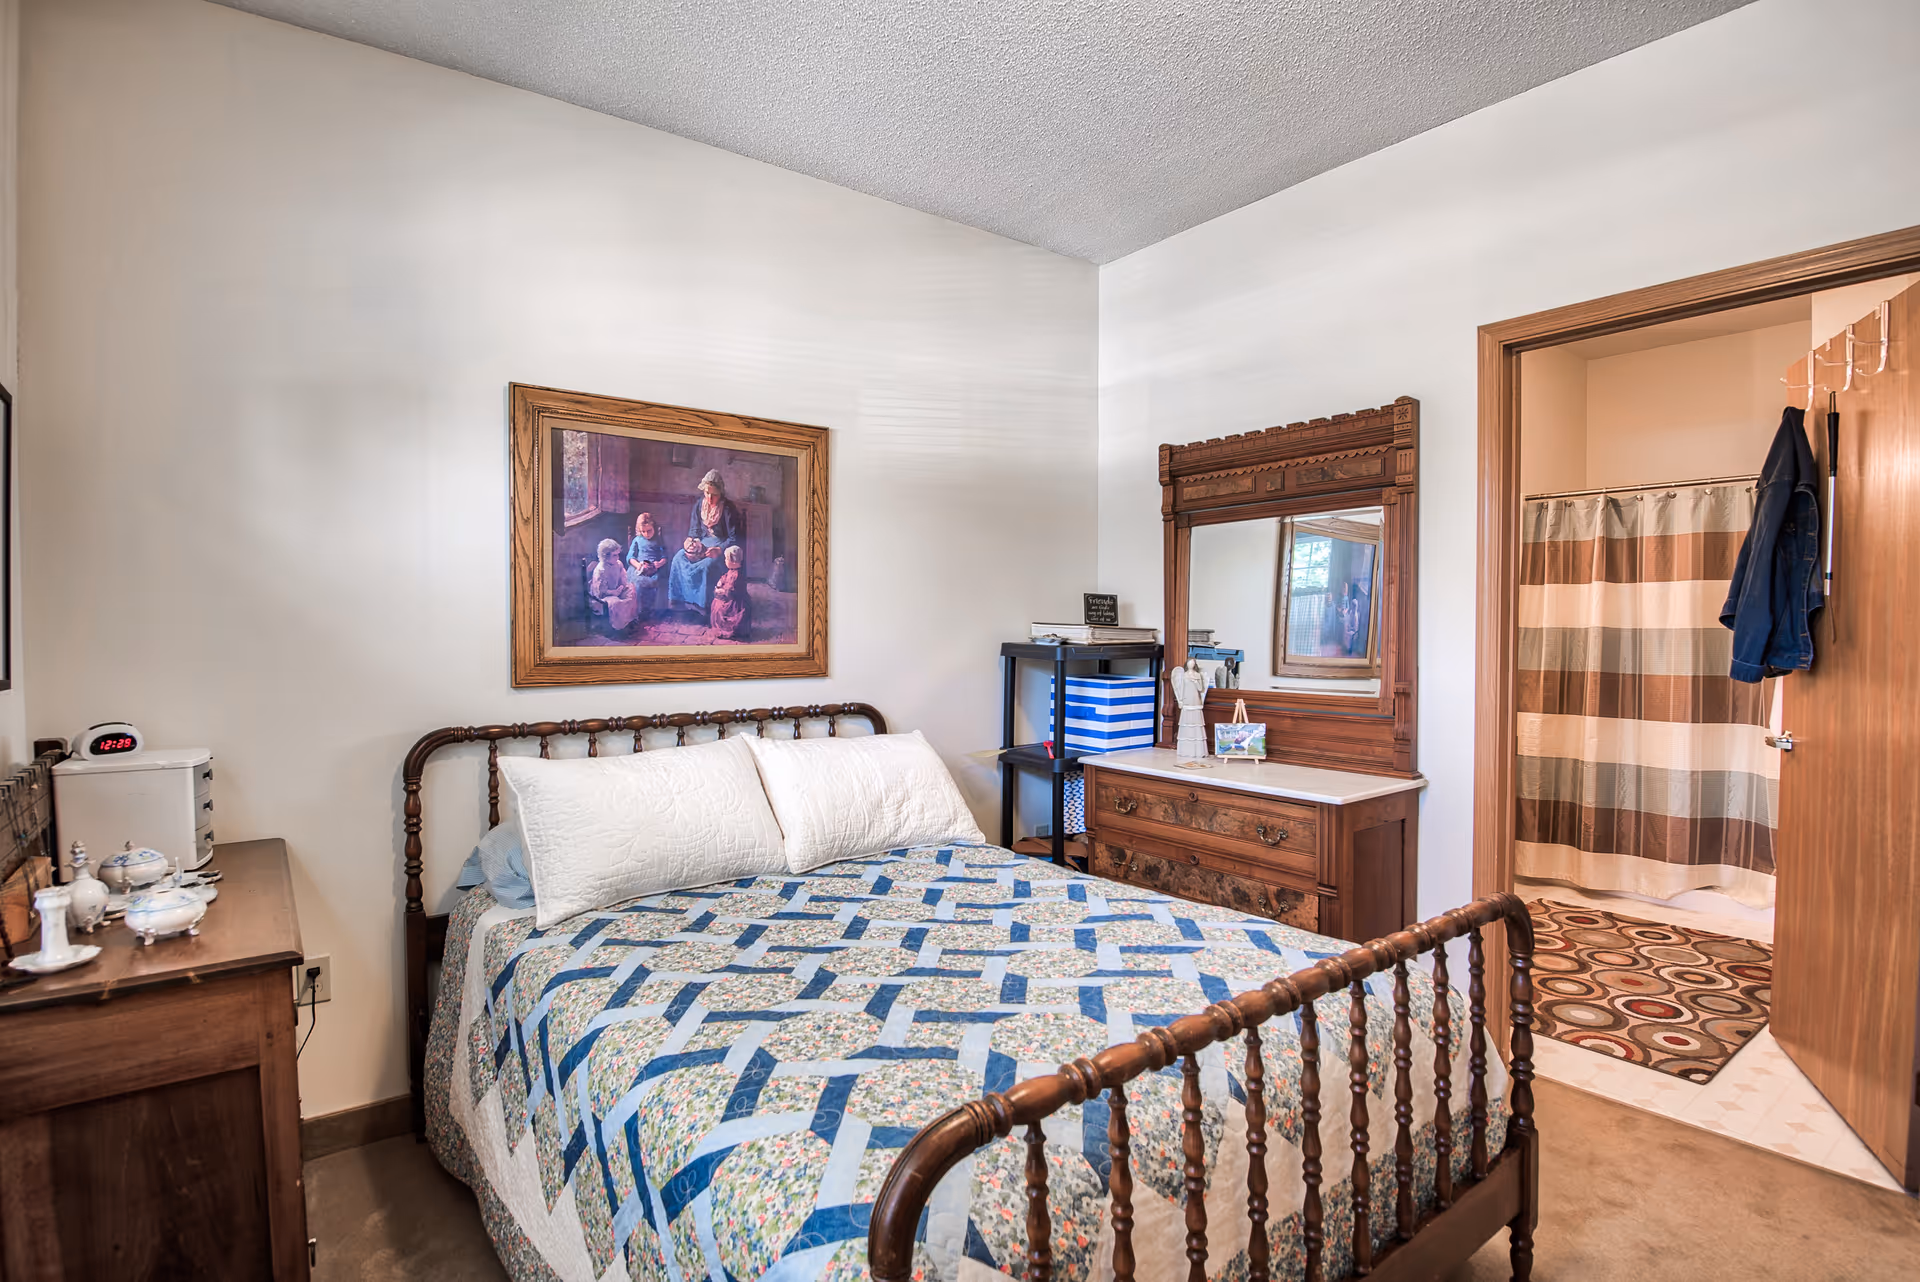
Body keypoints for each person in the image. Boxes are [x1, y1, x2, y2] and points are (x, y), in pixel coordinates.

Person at [667, 469, 743, 616]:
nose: (709, 497)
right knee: (678, 558)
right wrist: (690, 541)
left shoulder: (728, 509)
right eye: (707, 493)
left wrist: (719, 550)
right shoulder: (699, 505)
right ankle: (680, 602)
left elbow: (734, 538)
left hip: (720, 546)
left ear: (720, 493)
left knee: (707, 566)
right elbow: (694, 531)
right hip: (701, 544)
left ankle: (701, 606)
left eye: (714, 494)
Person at [625, 512, 670, 618]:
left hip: (654, 567)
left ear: (654, 527)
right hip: (639, 567)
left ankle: (651, 610)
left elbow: (665, 556)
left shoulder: (658, 540)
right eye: (643, 531)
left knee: (655, 581)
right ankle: (639, 611)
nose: (646, 534)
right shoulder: (637, 540)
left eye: (649, 530)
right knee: (638, 583)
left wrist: (659, 563)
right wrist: (638, 565)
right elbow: (630, 557)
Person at [709, 545, 752, 640]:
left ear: (732, 561)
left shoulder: (736, 575)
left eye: (726, 559)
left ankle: (727, 630)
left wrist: (720, 590)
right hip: (732, 598)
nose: (725, 561)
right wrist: (721, 581)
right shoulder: (732, 571)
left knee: (718, 607)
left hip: (735, 602)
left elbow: (730, 591)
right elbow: (725, 577)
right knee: (716, 603)